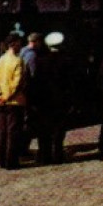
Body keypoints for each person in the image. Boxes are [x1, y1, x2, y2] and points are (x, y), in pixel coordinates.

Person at [21, 32, 62, 164]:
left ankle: (24, 149)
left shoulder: (21, 51)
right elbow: (33, 76)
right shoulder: (33, 56)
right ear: (38, 42)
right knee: (35, 124)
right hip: (33, 95)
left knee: (27, 122)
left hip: (23, 93)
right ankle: (27, 149)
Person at [0, 33, 27, 169]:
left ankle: (2, 160)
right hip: (15, 102)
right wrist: (7, 96)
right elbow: (18, 82)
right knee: (13, 132)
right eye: (19, 43)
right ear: (14, 44)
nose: (21, 46)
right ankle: (11, 161)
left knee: (2, 131)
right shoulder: (17, 61)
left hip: (0, 102)